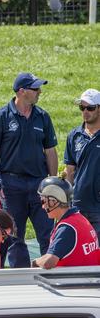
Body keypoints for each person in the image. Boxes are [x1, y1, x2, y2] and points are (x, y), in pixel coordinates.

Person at [0, 72, 58, 259]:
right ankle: (22, 276)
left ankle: (50, 271)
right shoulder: (0, 117)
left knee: (47, 233)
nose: (39, 92)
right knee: (14, 236)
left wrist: (52, 182)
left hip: (39, 184)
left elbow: (50, 151)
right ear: (22, 91)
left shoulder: (43, 117)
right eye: (35, 89)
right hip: (11, 184)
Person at [32, 177, 100, 269]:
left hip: (77, 281)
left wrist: (35, 262)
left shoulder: (67, 228)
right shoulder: (80, 218)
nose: (43, 206)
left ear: (54, 201)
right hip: (90, 278)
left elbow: (48, 262)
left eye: (43, 201)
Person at [64, 89, 100, 236]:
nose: (85, 111)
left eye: (90, 108)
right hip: (79, 204)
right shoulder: (74, 135)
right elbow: (70, 171)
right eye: (82, 108)